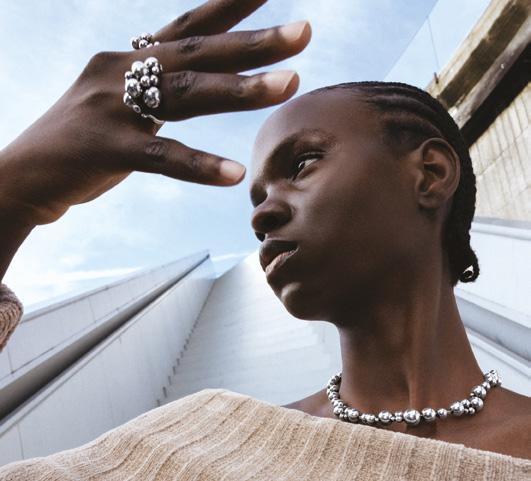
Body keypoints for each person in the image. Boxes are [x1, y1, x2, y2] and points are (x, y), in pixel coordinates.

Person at [0, 0, 530, 478]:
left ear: (431, 173)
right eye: (256, 197)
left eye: (302, 164)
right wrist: (11, 197)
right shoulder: (196, 450)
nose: (262, 216)